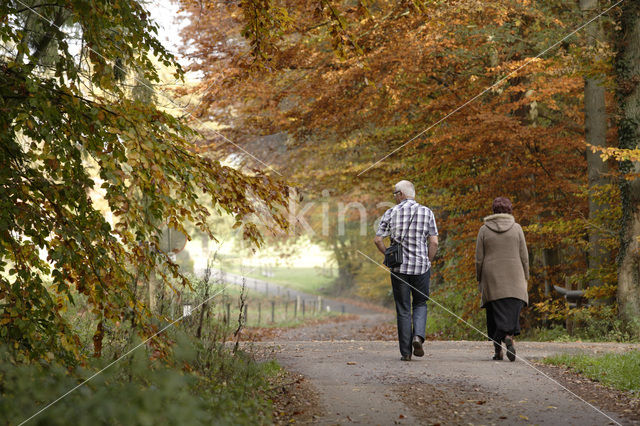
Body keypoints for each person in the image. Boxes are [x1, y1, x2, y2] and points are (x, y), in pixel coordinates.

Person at [374, 180, 439, 361]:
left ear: (401, 194)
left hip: (399, 268)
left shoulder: (390, 212)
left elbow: (378, 240)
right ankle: (418, 336)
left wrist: (388, 254)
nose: (394, 196)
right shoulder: (427, 212)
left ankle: (406, 353)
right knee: (420, 304)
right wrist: (428, 260)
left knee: (403, 309)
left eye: (395, 193)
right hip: (421, 267)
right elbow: (434, 242)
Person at [475, 197, 529, 362]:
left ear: (493, 211)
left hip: (492, 279)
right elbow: (524, 256)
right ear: (510, 211)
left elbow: (479, 259)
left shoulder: (484, 230)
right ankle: (509, 337)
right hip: (515, 278)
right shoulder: (517, 229)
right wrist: (526, 276)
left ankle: (498, 350)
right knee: (511, 312)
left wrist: (479, 278)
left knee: (493, 313)